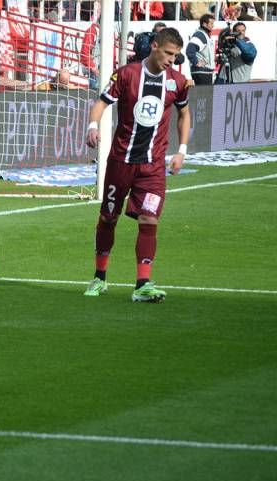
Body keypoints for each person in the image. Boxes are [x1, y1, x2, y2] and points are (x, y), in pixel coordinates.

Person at [84, 28, 191, 303]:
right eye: (168, 53)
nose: (171, 59)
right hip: (121, 161)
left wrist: (181, 150)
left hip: (153, 166)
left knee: (149, 218)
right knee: (108, 218)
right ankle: (99, 278)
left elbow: (184, 114)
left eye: (175, 55)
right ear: (154, 47)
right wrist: (93, 125)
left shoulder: (177, 82)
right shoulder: (126, 74)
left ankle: (143, 284)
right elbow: (101, 103)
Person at [186, 13, 216, 85]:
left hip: (204, 72)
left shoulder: (204, 35)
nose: (213, 26)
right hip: (202, 72)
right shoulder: (200, 35)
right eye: (211, 23)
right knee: (204, 95)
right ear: (204, 24)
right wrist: (196, 62)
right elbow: (189, 50)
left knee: (205, 95)